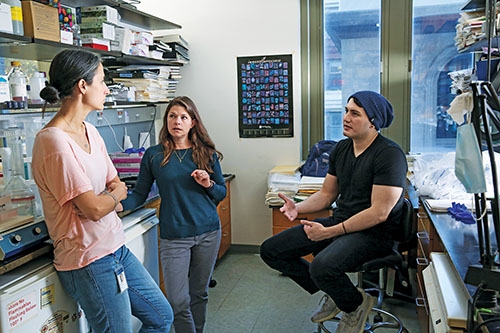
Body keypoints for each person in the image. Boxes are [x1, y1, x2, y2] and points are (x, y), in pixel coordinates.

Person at [32, 49, 173, 332]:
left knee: (161, 317)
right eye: (102, 81)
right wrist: (112, 196)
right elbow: (94, 209)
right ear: (82, 86)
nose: (107, 89)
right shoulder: (54, 143)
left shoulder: (91, 132)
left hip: (115, 248)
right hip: (88, 260)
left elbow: (116, 184)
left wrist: (110, 196)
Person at [260, 91, 408, 333]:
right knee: (271, 251)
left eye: (355, 113)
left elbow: (379, 213)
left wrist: (329, 232)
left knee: (322, 266)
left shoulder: (389, 155)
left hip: (375, 233)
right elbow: (327, 195)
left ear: (373, 121)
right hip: (341, 222)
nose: (346, 118)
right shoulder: (341, 149)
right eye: (346, 111)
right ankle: (340, 294)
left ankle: (354, 306)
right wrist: (298, 207)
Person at [121, 96, 226, 333]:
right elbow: (139, 194)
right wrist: (115, 206)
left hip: (208, 232)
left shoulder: (206, 153)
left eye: (183, 117)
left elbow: (221, 193)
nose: (177, 121)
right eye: (172, 116)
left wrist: (207, 183)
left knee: (198, 294)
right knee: (177, 301)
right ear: (166, 120)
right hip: (174, 237)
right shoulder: (154, 155)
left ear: (192, 123)